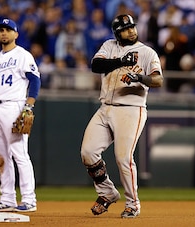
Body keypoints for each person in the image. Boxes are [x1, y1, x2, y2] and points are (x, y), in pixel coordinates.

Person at [80, 14, 163, 218]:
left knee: (123, 158)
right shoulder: (109, 46)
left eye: (132, 27)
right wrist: (120, 62)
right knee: (88, 153)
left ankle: (133, 203)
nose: (131, 31)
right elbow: (96, 66)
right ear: (117, 33)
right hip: (105, 108)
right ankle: (107, 192)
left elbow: (158, 80)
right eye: (126, 29)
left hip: (131, 109)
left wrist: (139, 77)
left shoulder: (147, 52)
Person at [0, 18, 41, 213]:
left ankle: (29, 200)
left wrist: (28, 107)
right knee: (1, 156)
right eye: (1, 30)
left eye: (8, 30)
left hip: (14, 107)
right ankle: (7, 199)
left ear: (16, 34)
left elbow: (35, 81)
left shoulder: (23, 55)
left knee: (19, 154)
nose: (3, 33)